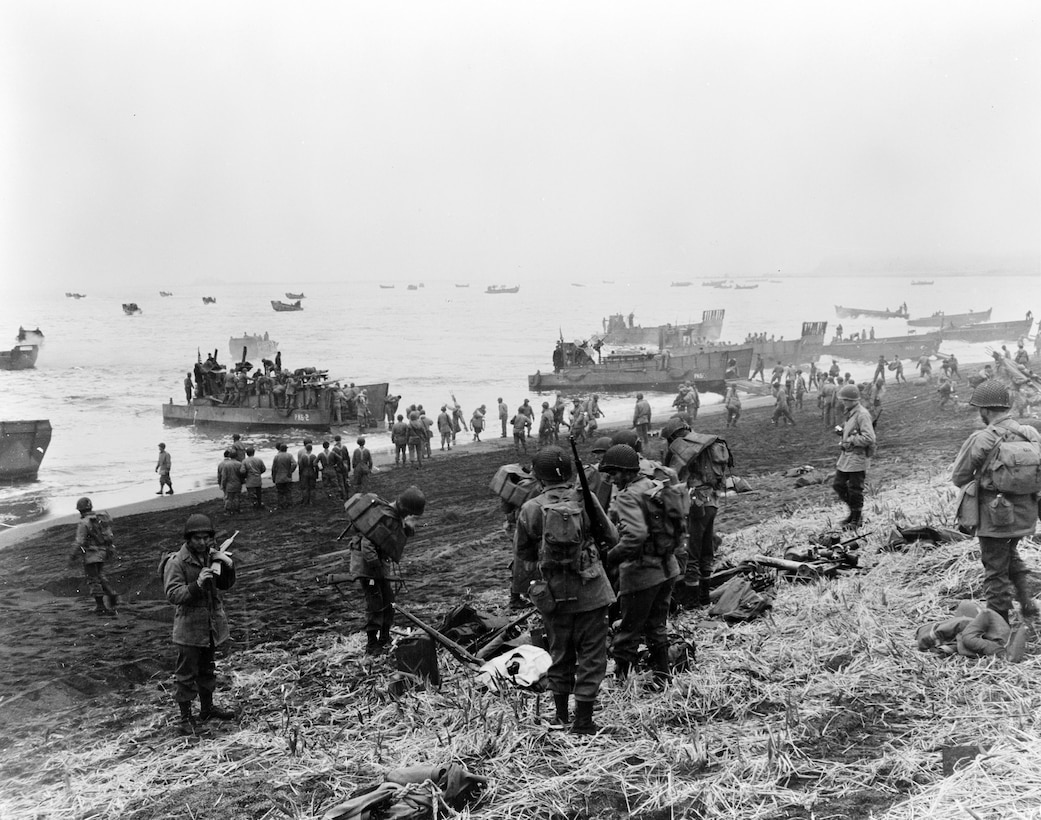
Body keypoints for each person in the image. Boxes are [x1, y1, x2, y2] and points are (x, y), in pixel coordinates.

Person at [515, 446, 618, 735]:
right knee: (592, 657)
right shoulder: (586, 499)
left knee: (560, 654)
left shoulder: (531, 508)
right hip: (593, 591)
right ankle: (584, 721)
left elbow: (523, 557)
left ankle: (561, 716)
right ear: (571, 473)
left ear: (539, 478)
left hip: (554, 596)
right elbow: (611, 536)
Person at [952, 380, 1040, 624]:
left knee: (994, 570)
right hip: (1026, 513)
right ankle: (1026, 602)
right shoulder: (1030, 433)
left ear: (985, 410)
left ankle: (998, 624)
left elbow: (958, 476)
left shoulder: (981, 438)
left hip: (995, 515)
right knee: (1009, 553)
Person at [600, 444, 680, 688]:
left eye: (614, 474)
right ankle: (663, 676)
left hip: (642, 573)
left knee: (629, 628)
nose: (611, 479)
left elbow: (633, 539)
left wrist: (609, 557)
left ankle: (621, 681)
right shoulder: (653, 485)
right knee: (657, 625)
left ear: (626, 471)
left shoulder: (627, 495)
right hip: (667, 567)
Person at [162, 514, 236, 735]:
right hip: (189, 627)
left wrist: (228, 564)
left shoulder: (210, 556)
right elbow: (173, 594)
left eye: (206, 538)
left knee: (207, 668)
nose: (202, 543)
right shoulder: (176, 562)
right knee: (186, 675)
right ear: (188, 539)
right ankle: (185, 718)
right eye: (197, 539)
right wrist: (196, 584)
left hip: (210, 625)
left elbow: (225, 584)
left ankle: (207, 709)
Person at [346, 486, 426, 654]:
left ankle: (384, 637)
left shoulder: (393, 515)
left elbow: (395, 533)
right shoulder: (383, 516)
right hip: (367, 566)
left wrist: (408, 528)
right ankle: (372, 644)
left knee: (388, 601)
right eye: (409, 513)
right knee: (375, 602)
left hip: (378, 565)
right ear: (404, 508)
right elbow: (368, 545)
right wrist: (376, 569)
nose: (408, 516)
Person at [833, 384, 876, 530]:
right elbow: (855, 430)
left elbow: (869, 437)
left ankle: (856, 519)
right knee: (838, 484)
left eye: (845, 400)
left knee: (854, 489)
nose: (843, 402)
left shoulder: (862, 414)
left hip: (857, 456)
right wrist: (844, 432)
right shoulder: (852, 412)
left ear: (853, 400)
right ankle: (854, 514)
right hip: (848, 456)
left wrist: (850, 440)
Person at [69, 497, 119, 617]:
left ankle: (100, 605)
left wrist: (72, 554)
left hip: (91, 554)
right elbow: (109, 536)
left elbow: (79, 541)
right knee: (100, 575)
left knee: (93, 579)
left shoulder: (84, 522)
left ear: (80, 510)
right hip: (103, 552)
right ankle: (111, 593)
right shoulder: (100, 518)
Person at [217, 450, 246, 514]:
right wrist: (242, 482)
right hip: (238, 483)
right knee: (237, 497)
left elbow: (224, 477)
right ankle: (237, 510)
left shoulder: (226, 465)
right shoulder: (239, 464)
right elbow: (242, 474)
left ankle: (228, 511)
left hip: (229, 484)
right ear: (236, 456)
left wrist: (222, 484)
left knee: (229, 498)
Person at [271, 443, 296, 508]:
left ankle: (281, 505)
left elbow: (274, 468)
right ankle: (289, 504)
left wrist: (273, 477)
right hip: (287, 477)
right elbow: (294, 464)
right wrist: (290, 471)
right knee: (288, 491)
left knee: (280, 492)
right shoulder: (289, 455)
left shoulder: (276, 456)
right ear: (286, 449)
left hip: (279, 477)